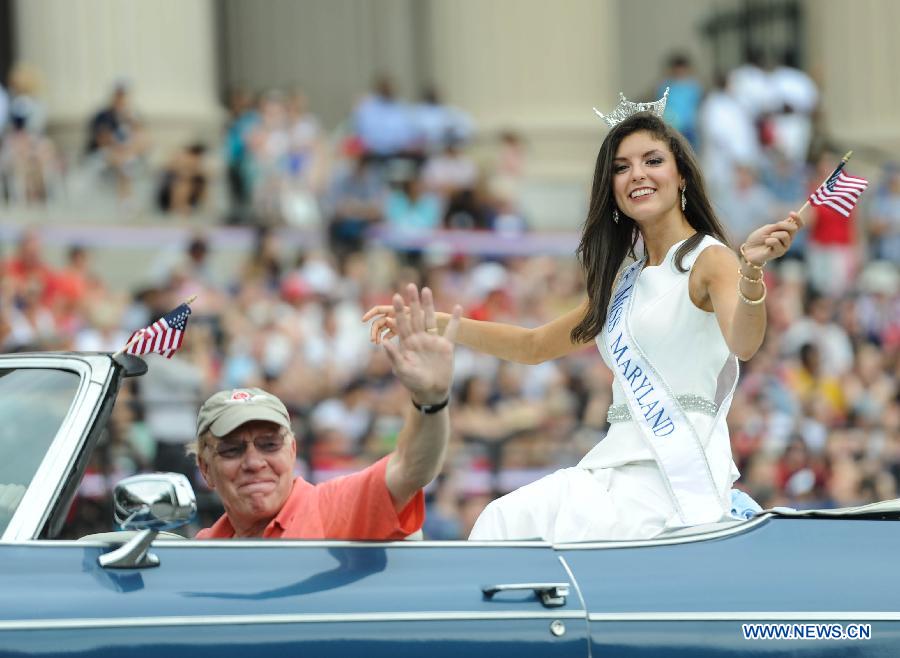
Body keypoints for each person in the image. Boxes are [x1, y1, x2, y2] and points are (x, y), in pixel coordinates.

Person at [364, 110, 802, 542]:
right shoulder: (623, 281)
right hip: (613, 464)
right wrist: (438, 324)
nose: (637, 175)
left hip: (674, 476)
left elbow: (744, 343)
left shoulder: (710, 259)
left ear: (682, 175)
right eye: (621, 167)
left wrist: (751, 272)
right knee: (502, 520)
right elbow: (533, 345)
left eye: (652, 161)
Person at [191, 285, 461, 539]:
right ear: (205, 469)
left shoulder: (332, 508)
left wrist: (431, 399)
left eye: (269, 445)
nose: (254, 462)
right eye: (231, 450)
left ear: (292, 451)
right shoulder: (205, 548)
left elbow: (411, 469)